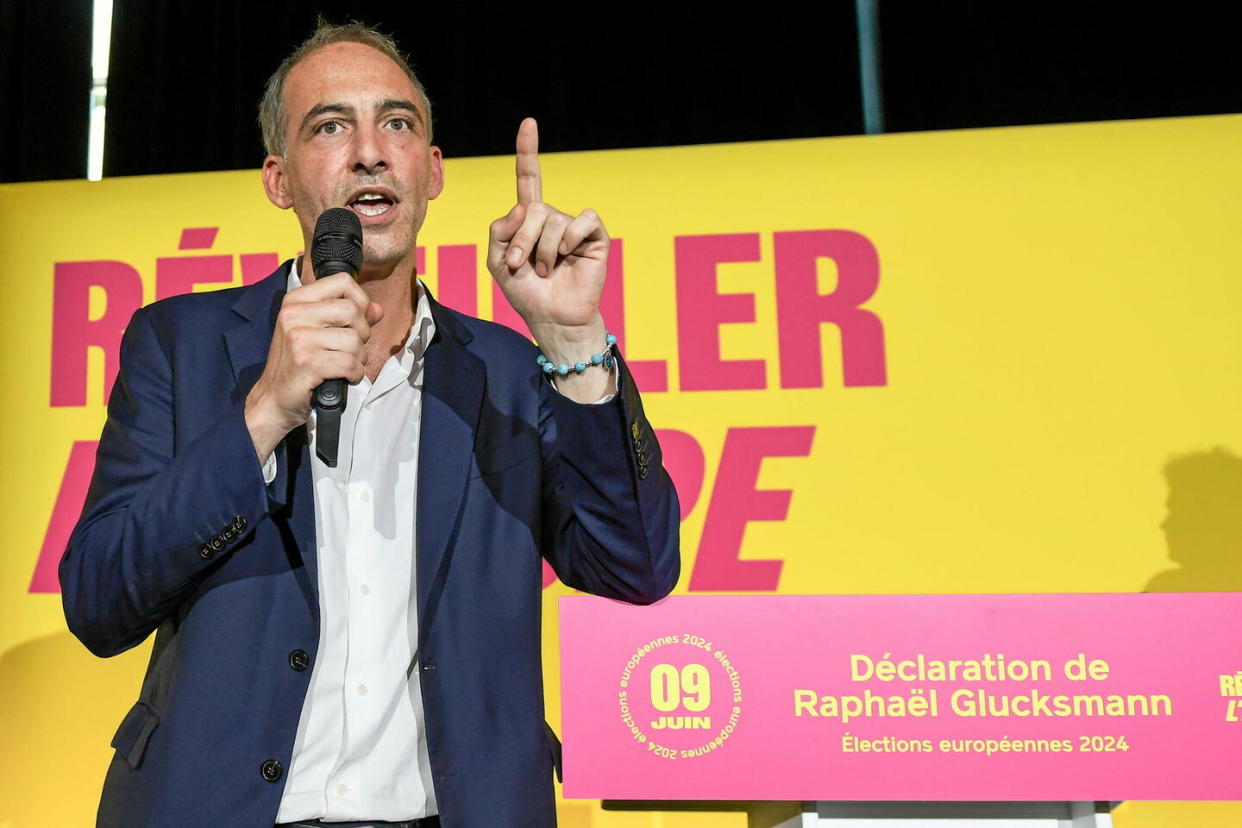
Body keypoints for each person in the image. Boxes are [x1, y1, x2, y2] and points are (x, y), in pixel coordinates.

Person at [59, 22, 680, 828]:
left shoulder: (507, 373)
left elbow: (638, 564)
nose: (369, 152)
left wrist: (572, 342)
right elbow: (99, 599)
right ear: (279, 179)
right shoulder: (181, 346)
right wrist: (266, 409)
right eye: (329, 126)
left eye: (397, 124)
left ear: (432, 170)